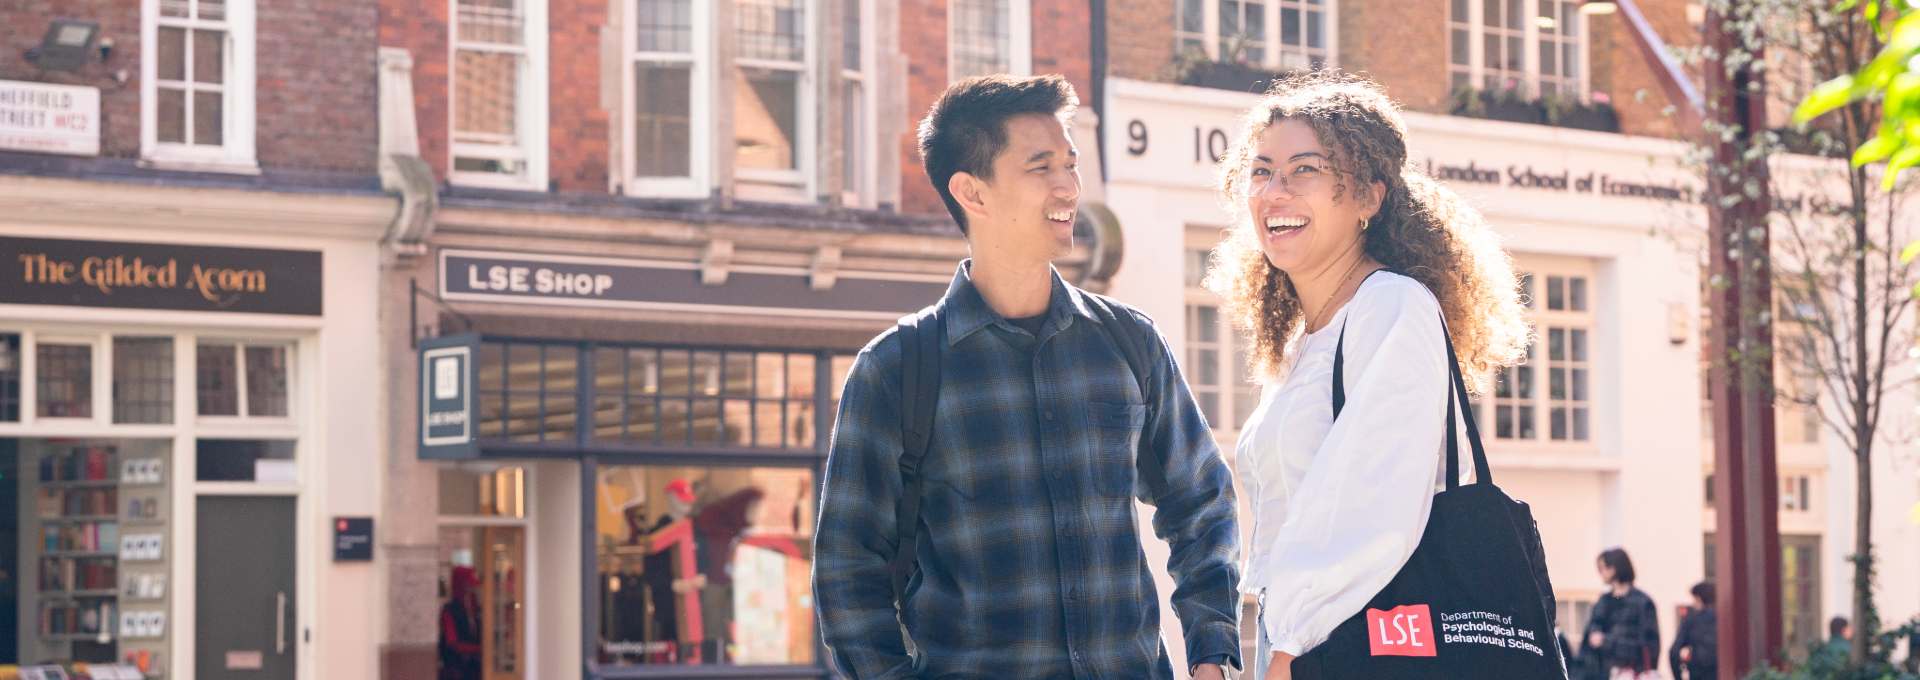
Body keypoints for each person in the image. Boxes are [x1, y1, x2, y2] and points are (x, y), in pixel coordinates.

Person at [813, 74, 1243, 679]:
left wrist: (1212, 654)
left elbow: (1201, 504)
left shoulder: (1130, 343)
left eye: (1071, 163)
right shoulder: (894, 372)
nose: (1069, 185)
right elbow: (845, 569)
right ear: (972, 191)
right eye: (1041, 166)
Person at [1203, 72, 1530, 680]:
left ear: (1367, 198)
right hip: (1306, 641)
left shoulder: (1391, 306)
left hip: (1340, 647)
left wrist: (1286, 654)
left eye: (1305, 170)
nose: (1275, 190)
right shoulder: (1307, 341)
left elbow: (1371, 504)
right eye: (1262, 170)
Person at [1579, 549, 1661, 680]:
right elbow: (1586, 647)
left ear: (1614, 568)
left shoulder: (1643, 603)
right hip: (1598, 675)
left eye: (1602, 568)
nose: (1600, 573)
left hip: (1628, 674)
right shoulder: (1602, 601)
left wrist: (1607, 642)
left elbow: (1649, 649)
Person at [439, 566, 482, 680]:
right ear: (461, 585)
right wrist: (479, 649)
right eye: (469, 586)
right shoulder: (449, 610)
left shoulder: (475, 609)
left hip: (473, 669)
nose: (472, 589)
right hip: (456, 669)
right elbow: (452, 642)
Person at [1669, 582, 1717, 680]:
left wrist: (1678, 677)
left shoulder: (1691, 622)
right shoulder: (1725, 620)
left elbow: (1673, 651)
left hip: (1698, 675)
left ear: (1698, 598)